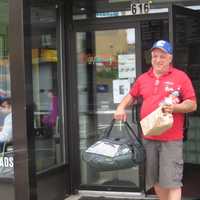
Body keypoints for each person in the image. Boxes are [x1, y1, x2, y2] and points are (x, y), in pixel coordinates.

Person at [114, 40, 197, 200]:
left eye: (162, 56)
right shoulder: (143, 78)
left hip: (171, 140)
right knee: (155, 180)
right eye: (155, 56)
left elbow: (192, 104)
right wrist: (121, 107)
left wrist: (175, 108)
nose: (158, 60)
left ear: (170, 58)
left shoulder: (181, 77)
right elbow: (131, 95)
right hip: (148, 138)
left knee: (172, 182)